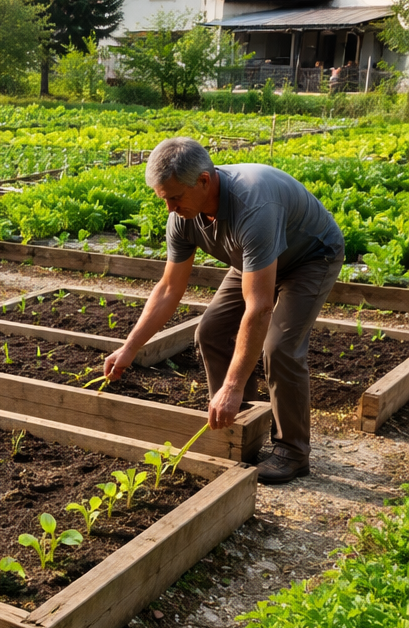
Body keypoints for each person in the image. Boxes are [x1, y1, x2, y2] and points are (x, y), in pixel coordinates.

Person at [103, 138, 344, 485]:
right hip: (252, 259)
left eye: (175, 197)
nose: (169, 207)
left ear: (204, 180)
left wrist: (232, 384)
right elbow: (169, 289)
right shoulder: (184, 216)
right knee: (211, 330)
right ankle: (243, 423)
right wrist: (129, 348)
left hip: (310, 257)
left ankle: (292, 451)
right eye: (163, 198)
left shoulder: (253, 206)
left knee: (279, 347)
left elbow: (259, 308)